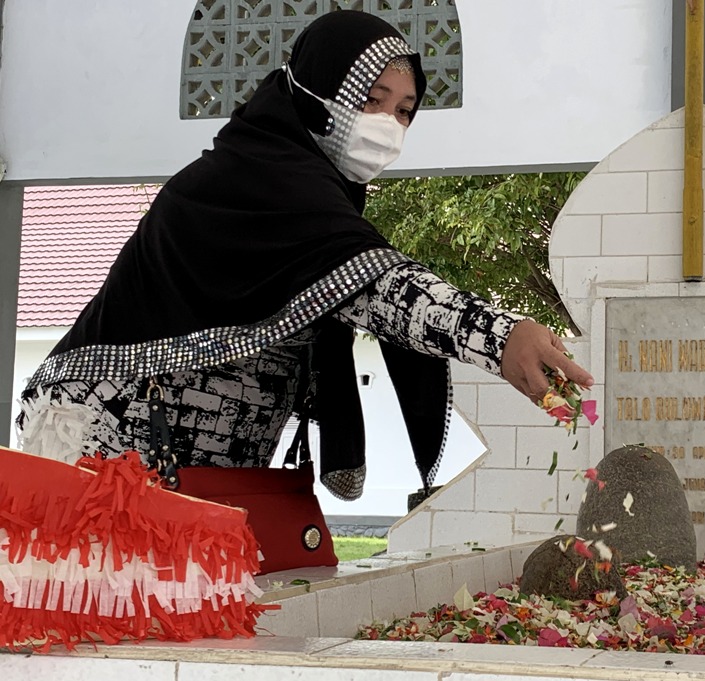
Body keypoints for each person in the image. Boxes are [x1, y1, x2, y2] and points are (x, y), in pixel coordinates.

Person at [16, 10, 592, 501]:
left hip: (202, 459)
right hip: (109, 436)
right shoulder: (245, 181)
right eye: (371, 100)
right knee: (103, 615)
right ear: (318, 92)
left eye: (404, 111)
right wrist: (499, 335)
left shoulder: (313, 197)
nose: (389, 125)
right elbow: (377, 289)